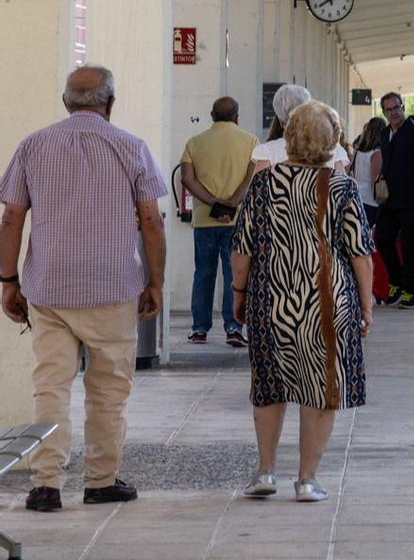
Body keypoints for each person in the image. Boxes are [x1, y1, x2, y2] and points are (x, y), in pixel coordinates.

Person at [0, 66, 165, 512]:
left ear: (65, 102)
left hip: (49, 288)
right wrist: (155, 282)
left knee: (50, 386)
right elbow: (151, 221)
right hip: (113, 287)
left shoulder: (33, 145)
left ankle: (46, 484)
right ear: (110, 104)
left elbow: (11, 218)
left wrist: (8, 281)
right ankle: (100, 481)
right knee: (108, 390)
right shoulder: (131, 146)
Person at [230, 101, 374, 502]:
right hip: (327, 304)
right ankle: (307, 480)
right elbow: (360, 254)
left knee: (269, 387)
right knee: (322, 389)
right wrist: (365, 306)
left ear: (289, 137)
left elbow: (241, 248)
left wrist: (239, 293)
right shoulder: (341, 187)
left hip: (270, 301)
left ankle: (265, 471)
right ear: (333, 142)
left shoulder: (263, 183)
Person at [180, 96, 259, 348]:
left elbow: (187, 179)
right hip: (237, 220)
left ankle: (199, 329)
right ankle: (234, 327)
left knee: (203, 273)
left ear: (212, 116)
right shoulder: (251, 142)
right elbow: (253, 177)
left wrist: (213, 203)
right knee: (233, 274)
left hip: (205, 221)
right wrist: (233, 203)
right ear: (237, 117)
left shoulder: (194, 142)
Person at [374, 93, 414, 308]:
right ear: (384, 112)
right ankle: (396, 281)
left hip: (413, 198)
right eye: (389, 109)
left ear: (403, 107)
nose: (394, 112)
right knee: (382, 238)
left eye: (397, 107)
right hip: (390, 199)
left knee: (409, 244)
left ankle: (411, 291)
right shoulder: (384, 134)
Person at [252, 84, 350, 175]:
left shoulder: (267, 152)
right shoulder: (332, 150)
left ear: (279, 120)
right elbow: (342, 184)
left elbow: (258, 186)